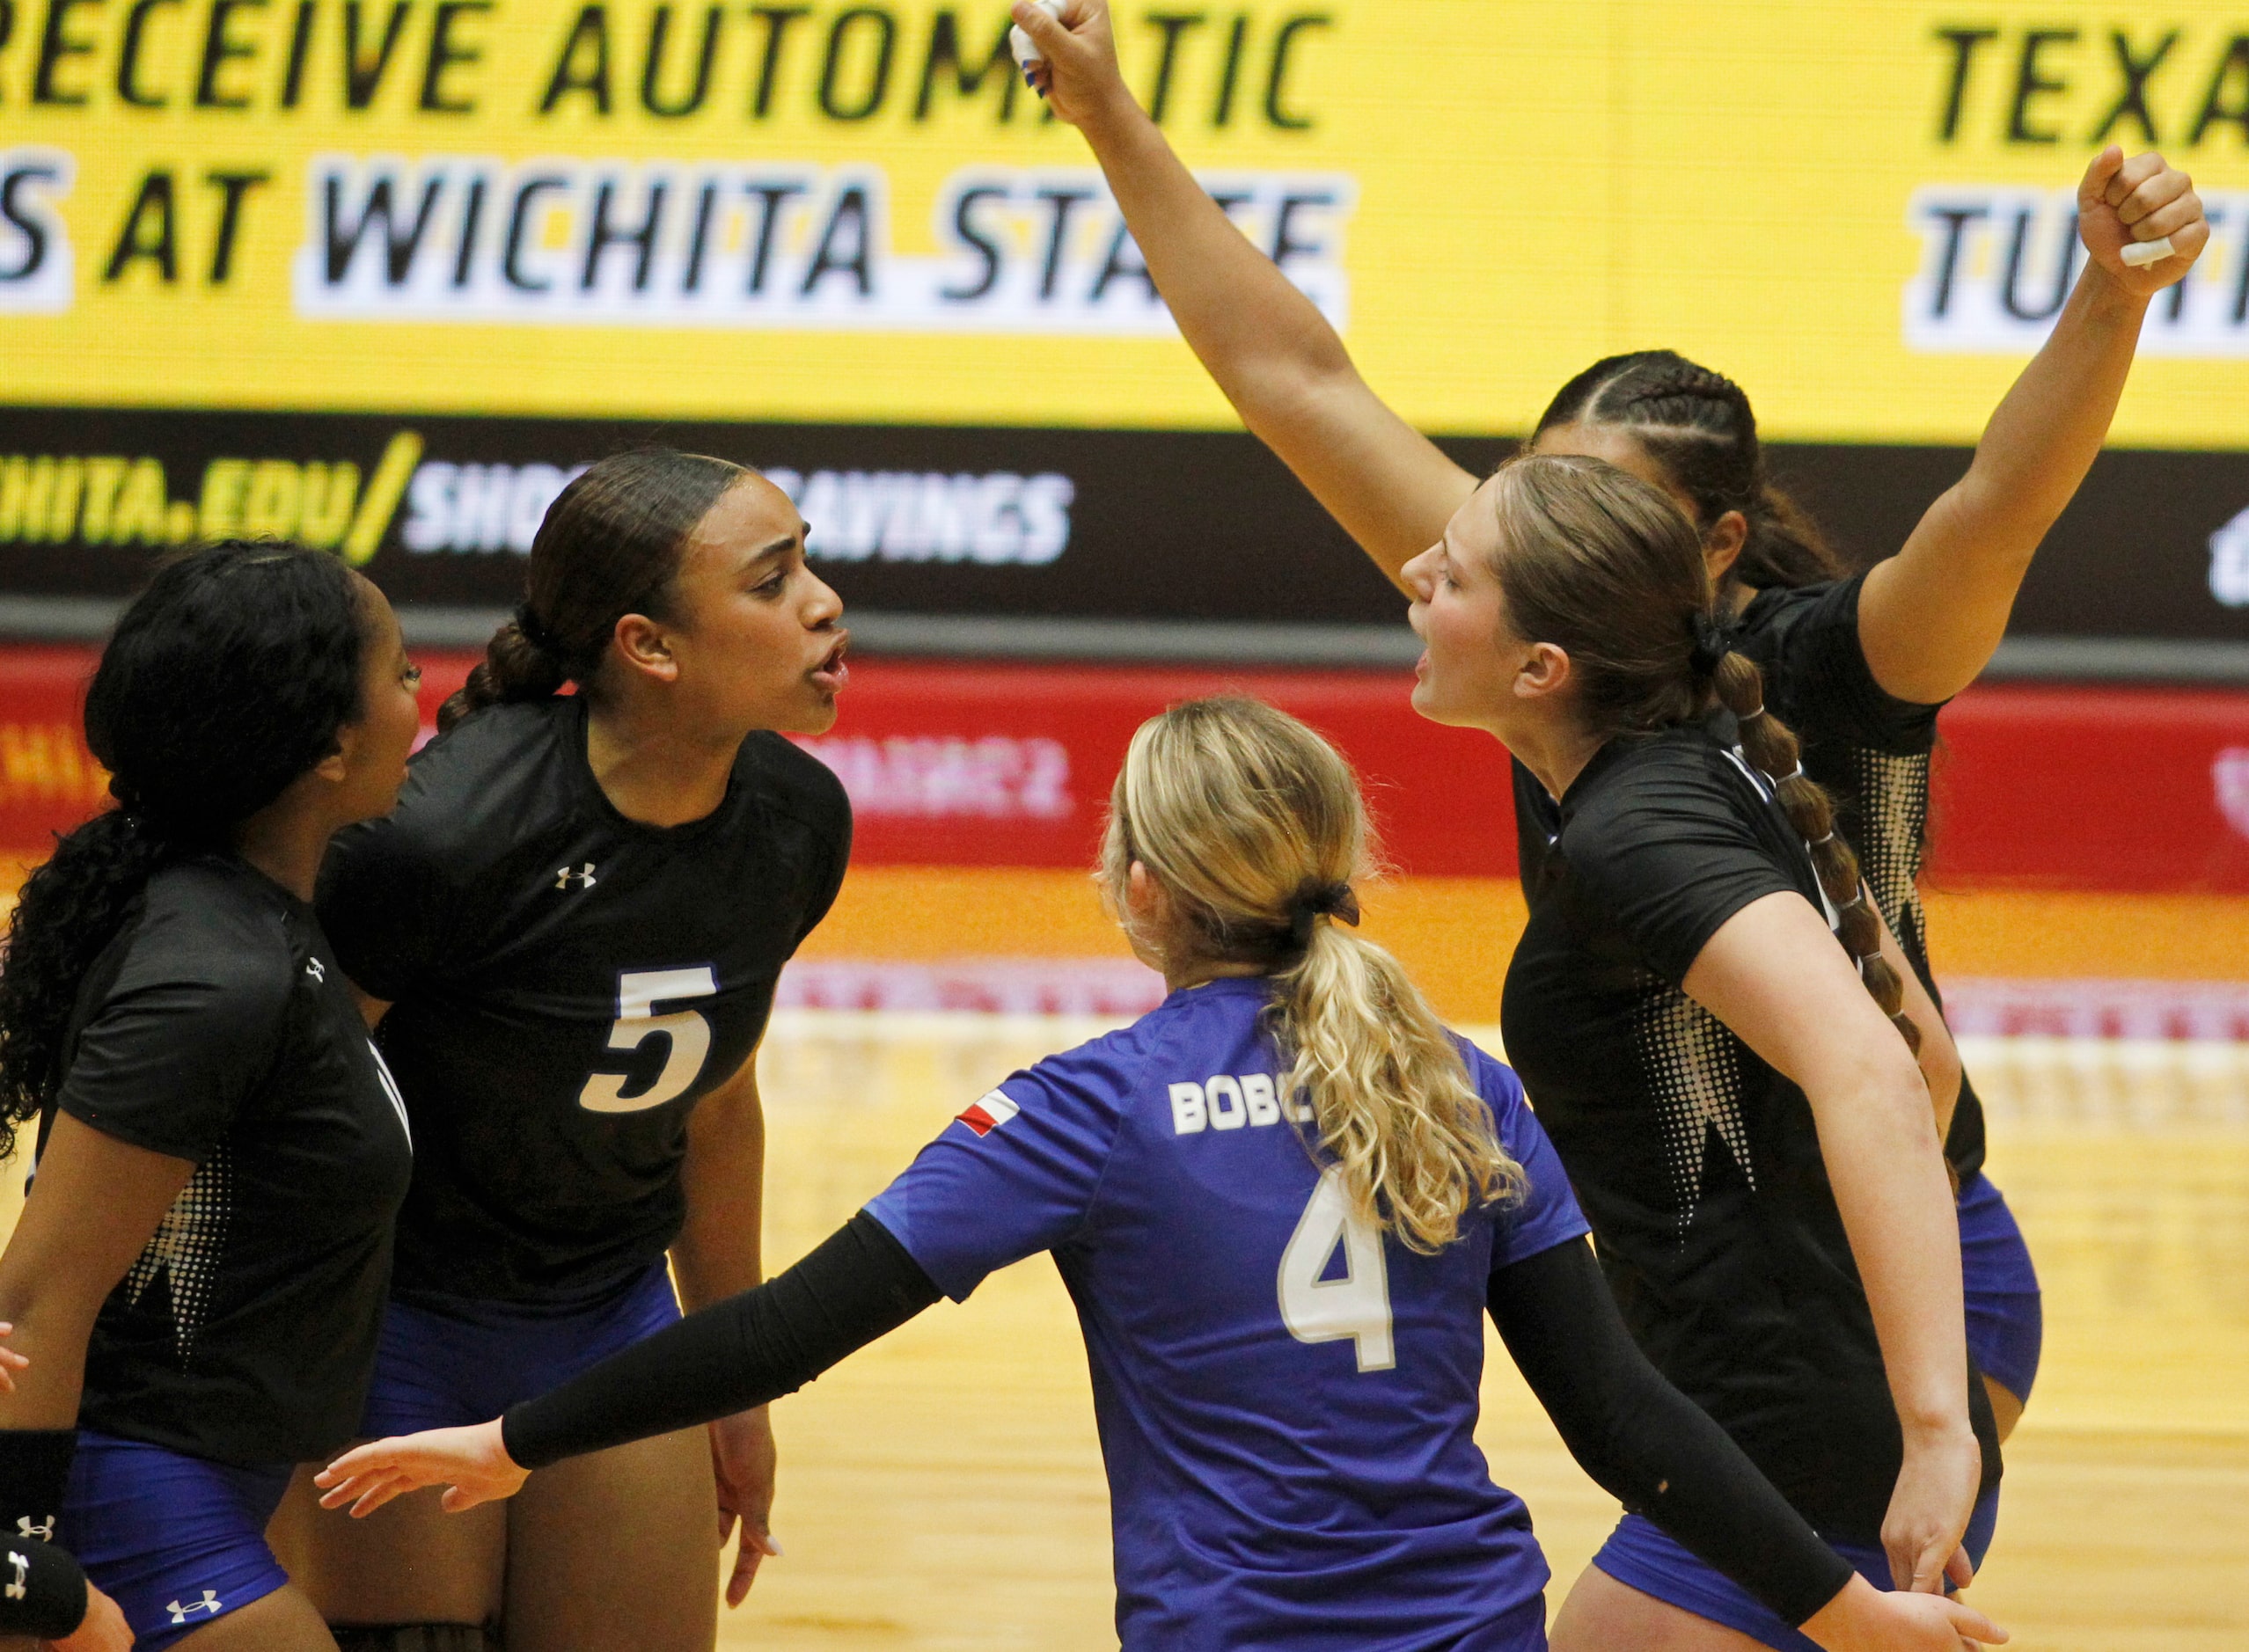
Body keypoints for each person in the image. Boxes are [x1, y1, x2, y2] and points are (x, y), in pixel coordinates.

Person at [1010, 0, 2209, 1449]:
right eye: (1534, 489)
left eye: (1594, 506)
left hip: (1868, 1271)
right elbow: (1296, 382)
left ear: (1712, 544)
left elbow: (1999, 508)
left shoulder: (1835, 656)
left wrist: (2112, 294)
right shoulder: (1525, 609)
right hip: (1712, 1278)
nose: (1523, 530)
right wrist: (1109, 122)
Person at [313, 698, 2004, 1652]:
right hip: (1475, 1629)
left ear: (1135, 887)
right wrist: (1838, 1606)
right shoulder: (1455, 1082)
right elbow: (1626, 1417)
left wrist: (511, 1435)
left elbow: (790, 1329)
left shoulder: (1087, 1109)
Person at [268, 450, 853, 1652]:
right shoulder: (435, 838)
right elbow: (283, 1123)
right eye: (772, 578)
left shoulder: (798, 820)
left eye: (807, 558)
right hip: (395, 1323)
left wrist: (733, 1382)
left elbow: (716, 1109)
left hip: (613, 1323)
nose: (823, 599)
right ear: (649, 646)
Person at [0, 542, 423, 1651]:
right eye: (402, 674)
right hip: (131, 1498)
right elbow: (37, 1302)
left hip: (206, 1483)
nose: (421, 700)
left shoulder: (259, 918)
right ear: (331, 744)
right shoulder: (214, 973)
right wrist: (25, 1579)